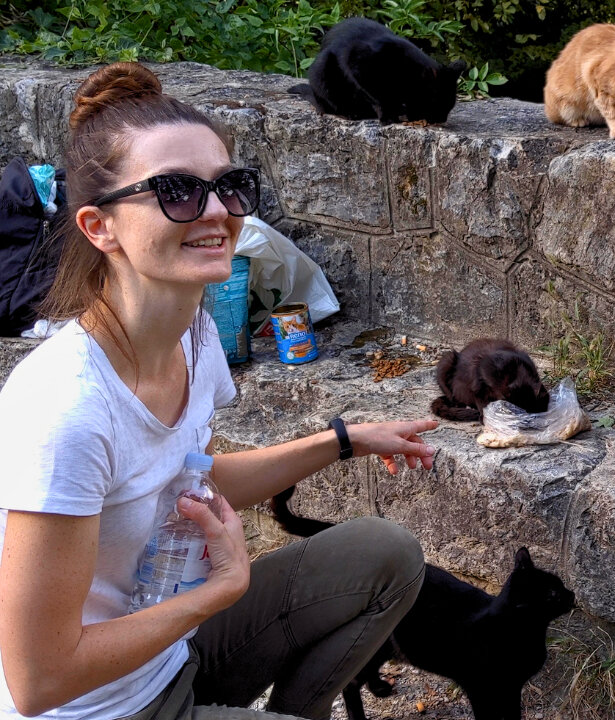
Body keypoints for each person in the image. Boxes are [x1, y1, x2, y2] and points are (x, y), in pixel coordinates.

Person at [0, 62, 437, 720]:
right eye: (176, 191)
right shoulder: (65, 411)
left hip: (176, 650)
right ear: (99, 227)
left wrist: (343, 440)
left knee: (387, 555)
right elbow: (40, 681)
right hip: (102, 708)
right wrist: (219, 591)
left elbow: (193, 480)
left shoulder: (194, 337)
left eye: (230, 187)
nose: (215, 211)